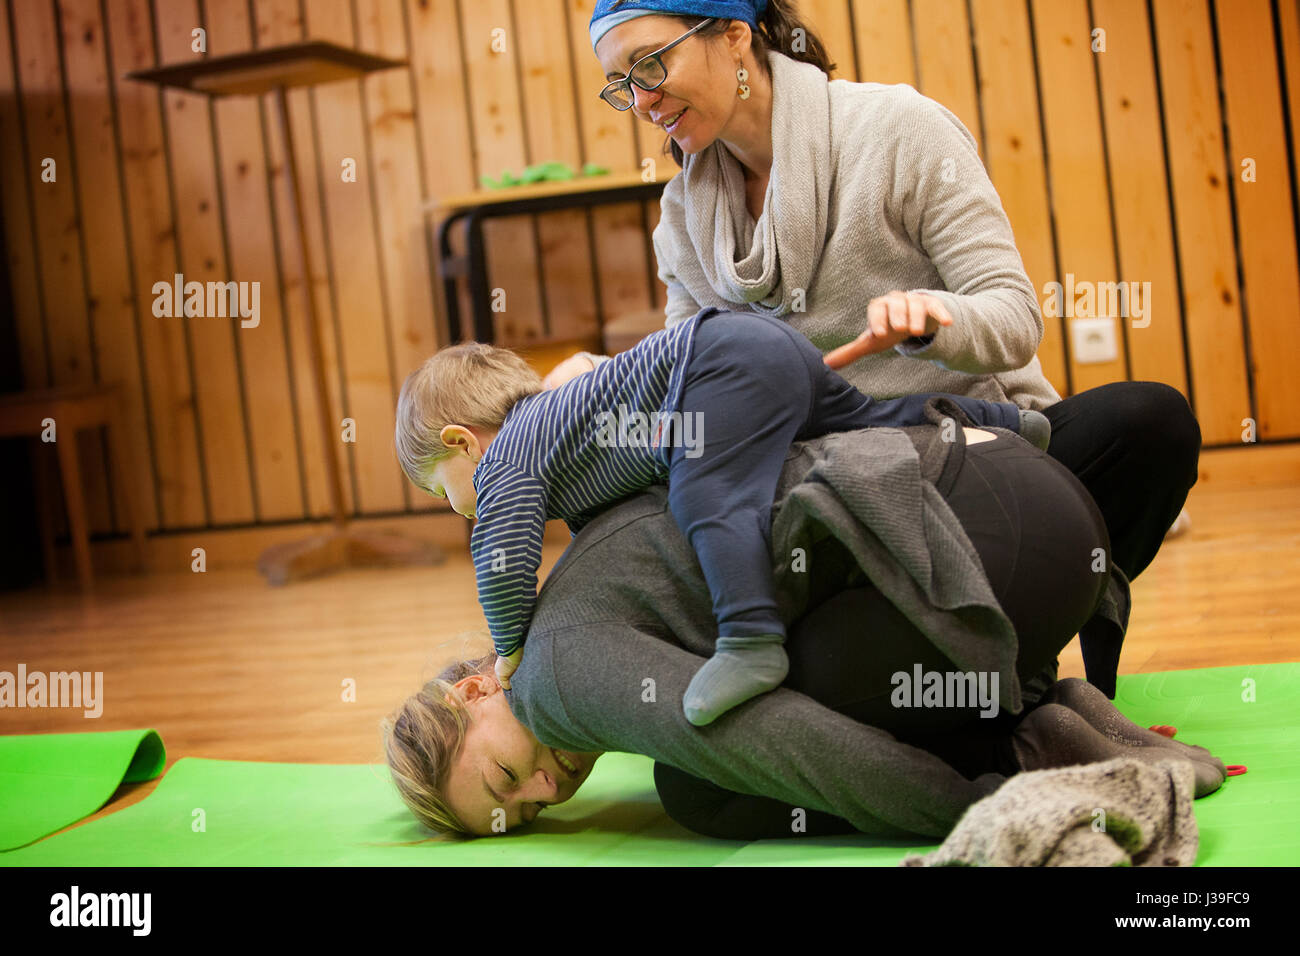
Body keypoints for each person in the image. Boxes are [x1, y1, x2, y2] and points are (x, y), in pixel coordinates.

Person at [543, 0, 1201, 696]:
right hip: (840, 505)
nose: (641, 101)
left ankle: (1028, 636)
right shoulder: (681, 220)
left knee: (1149, 422)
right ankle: (987, 668)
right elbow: (688, 389)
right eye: (621, 83)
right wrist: (600, 381)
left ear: (734, 37)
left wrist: (932, 320)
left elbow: (1013, 317)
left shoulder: (898, 129)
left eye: (651, 63)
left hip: (979, 462)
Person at [382, 415, 1226, 838]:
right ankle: (1038, 709)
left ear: (476, 686)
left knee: (704, 782)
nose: (547, 793)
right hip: (1021, 507)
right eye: (524, 817)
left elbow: (774, 739)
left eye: (504, 780)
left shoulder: (551, 681)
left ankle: (1022, 753)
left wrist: (982, 813)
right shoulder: (572, 603)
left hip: (994, 547)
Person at [395, 307, 1049, 726]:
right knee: (867, 419)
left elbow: (504, 559)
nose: (457, 509)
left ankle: (749, 639)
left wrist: (508, 647)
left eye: (440, 493)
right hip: (756, 344)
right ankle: (1002, 423)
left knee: (706, 493)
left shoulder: (506, 458)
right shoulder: (559, 437)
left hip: (714, 366)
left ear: (462, 443)